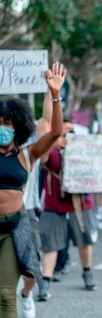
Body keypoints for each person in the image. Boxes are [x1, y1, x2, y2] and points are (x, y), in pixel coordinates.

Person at [0, 62, 65, 318]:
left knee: (6, 294)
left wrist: (55, 95)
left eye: (7, 123)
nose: (2, 128)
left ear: (17, 126)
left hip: (14, 228)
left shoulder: (28, 153)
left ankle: (27, 296)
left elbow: (56, 131)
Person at [37, 119, 97, 301]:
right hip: (54, 204)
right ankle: (45, 282)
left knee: (84, 241)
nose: (67, 135)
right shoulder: (52, 150)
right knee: (51, 244)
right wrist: (54, 141)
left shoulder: (83, 150)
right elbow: (43, 158)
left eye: (70, 131)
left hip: (80, 204)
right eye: (63, 131)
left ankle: (87, 273)